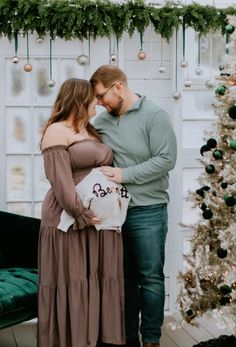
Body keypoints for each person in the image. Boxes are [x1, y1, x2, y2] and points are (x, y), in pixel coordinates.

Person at [90, 65, 177, 347]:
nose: (99, 102)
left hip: (148, 210)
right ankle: (128, 339)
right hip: (114, 212)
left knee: (149, 277)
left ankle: (151, 339)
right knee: (123, 278)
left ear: (119, 87)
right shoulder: (101, 123)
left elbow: (166, 159)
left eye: (101, 96)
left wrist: (125, 175)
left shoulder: (155, 116)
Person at [37, 78, 125, 347]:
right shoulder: (56, 130)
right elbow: (61, 181)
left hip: (100, 220)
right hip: (70, 219)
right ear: (79, 100)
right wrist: (82, 214)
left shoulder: (90, 130)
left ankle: (94, 339)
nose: (97, 103)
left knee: (96, 279)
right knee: (73, 279)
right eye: (92, 99)